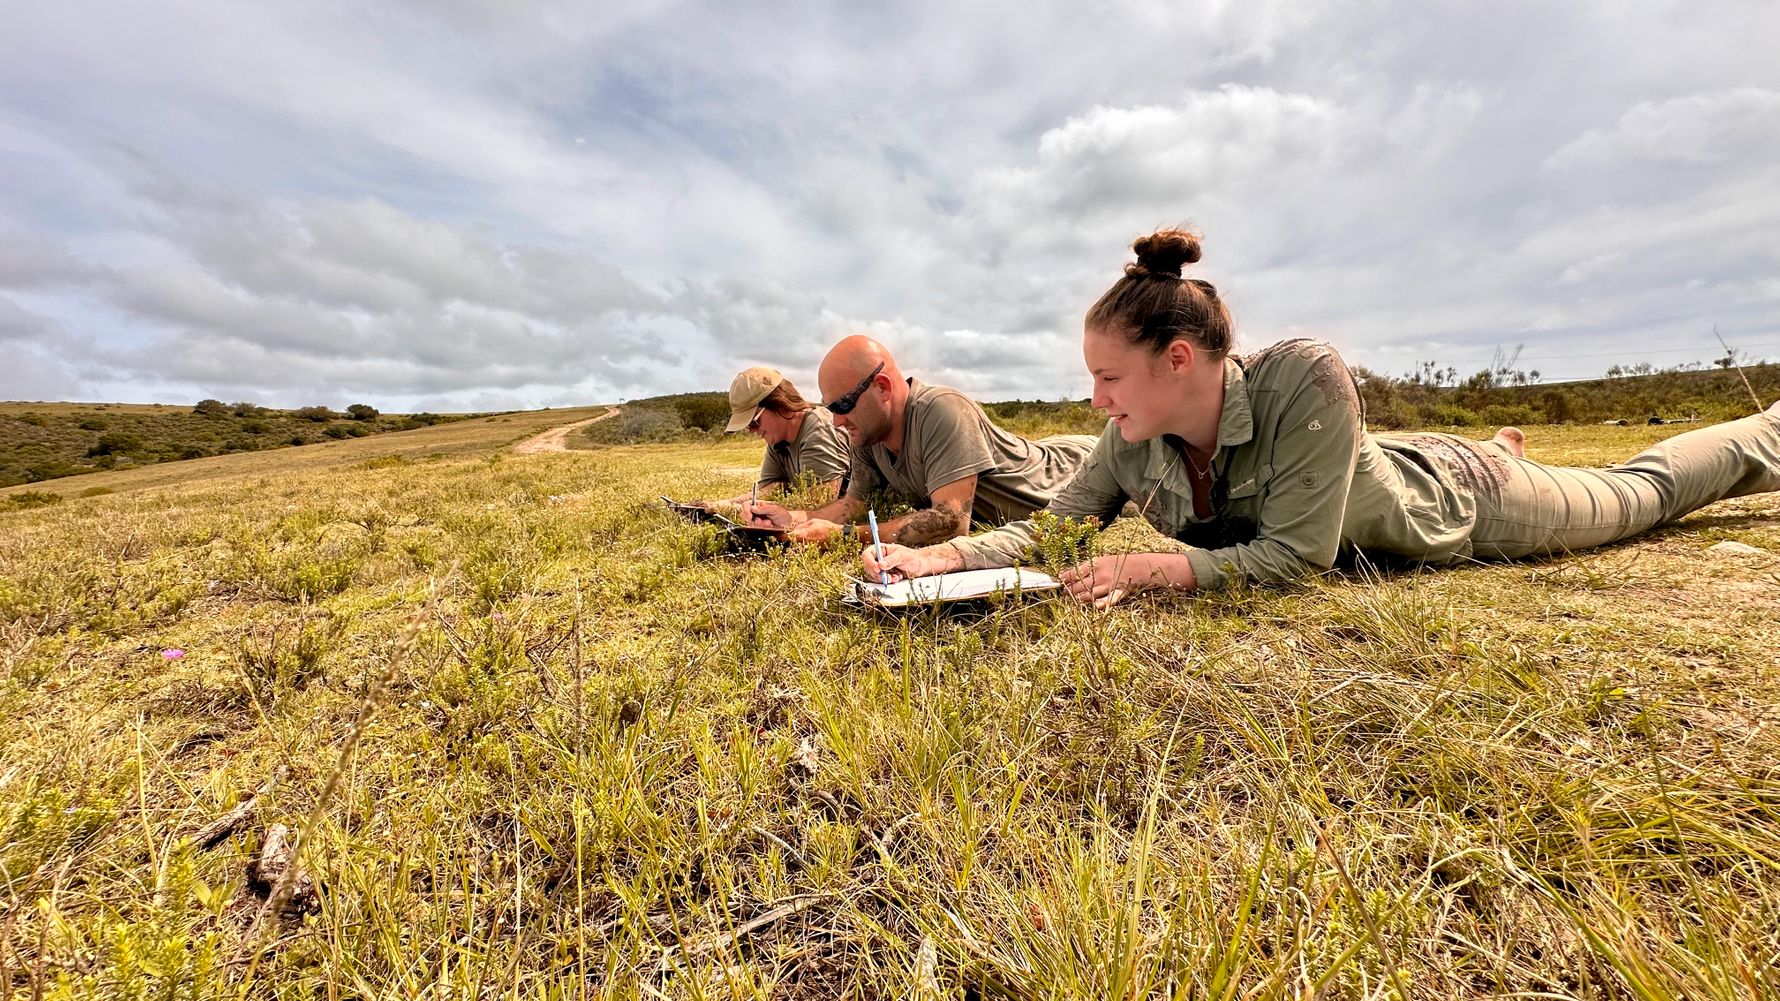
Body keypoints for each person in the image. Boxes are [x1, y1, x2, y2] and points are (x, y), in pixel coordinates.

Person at [865, 228, 1780, 607]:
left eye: (1108, 378)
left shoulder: (1307, 376)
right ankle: (1490, 438)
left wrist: (1154, 566)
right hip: (1378, 465)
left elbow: (1296, 558)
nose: (1096, 400)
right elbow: (1056, 529)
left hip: (1462, 500)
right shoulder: (1128, 439)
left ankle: (1762, 431)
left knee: (1641, 493)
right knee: (1394, 459)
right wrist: (936, 556)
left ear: (1177, 360)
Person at [746, 336, 1099, 545]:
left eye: (843, 405)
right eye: (830, 408)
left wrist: (845, 537)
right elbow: (854, 504)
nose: (836, 421)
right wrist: (793, 517)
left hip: (1076, 466)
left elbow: (950, 522)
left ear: (882, 388)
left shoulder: (941, 410)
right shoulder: (865, 435)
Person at [703, 366, 851, 507]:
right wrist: (727, 504)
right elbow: (772, 487)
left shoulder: (819, 429)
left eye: (754, 422)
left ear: (779, 404)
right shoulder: (778, 439)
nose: (752, 431)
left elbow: (817, 504)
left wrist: (739, 509)